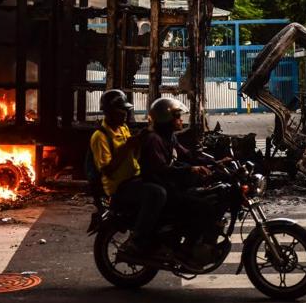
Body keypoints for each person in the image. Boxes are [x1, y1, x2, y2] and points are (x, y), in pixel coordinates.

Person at [139, 97, 221, 265]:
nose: (180, 120)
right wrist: (191, 169)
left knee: (207, 197)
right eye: (177, 117)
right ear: (166, 119)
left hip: (171, 185)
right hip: (163, 187)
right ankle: (186, 249)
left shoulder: (169, 137)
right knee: (202, 207)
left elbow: (188, 155)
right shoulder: (154, 139)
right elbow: (161, 169)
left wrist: (216, 163)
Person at [90, 89, 166, 255]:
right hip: (120, 187)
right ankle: (138, 239)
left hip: (134, 179)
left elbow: (133, 155)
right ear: (108, 112)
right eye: (120, 111)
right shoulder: (100, 136)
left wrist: (141, 142)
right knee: (157, 193)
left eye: (126, 110)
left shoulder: (123, 128)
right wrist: (127, 147)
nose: (125, 114)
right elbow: (108, 170)